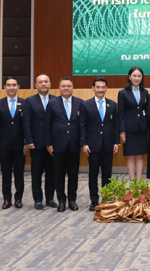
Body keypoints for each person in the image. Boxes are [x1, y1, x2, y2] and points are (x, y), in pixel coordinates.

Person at [80, 77, 119, 211]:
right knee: (93, 173)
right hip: (92, 146)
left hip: (108, 144)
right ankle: (94, 200)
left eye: (103, 87)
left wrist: (116, 142)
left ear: (106, 88)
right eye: (98, 87)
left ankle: (107, 199)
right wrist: (84, 144)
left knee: (107, 174)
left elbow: (115, 125)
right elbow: (82, 126)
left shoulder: (112, 104)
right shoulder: (86, 105)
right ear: (93, 88)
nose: (101, 90)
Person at [45, 77, 83, 212]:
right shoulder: (52, 103)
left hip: (74, 145)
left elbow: (82, 125)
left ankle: (72, 200)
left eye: (68, 86)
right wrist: (48, 143)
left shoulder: (80, 103)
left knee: (73, 175)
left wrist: (82, 142)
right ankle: (61, 201)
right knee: (59, 175)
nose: (66, 88)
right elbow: (47, 125)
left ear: (73, 88)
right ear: (59, 88)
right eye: (63, 86)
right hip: (58, 145)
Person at [22, 74, 58, 210]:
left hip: (52, 144)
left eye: (46, 82)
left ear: (50, 84)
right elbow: (26, 123)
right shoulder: (29, 101)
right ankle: (37, 200)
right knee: (36, 173)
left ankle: (50, 199)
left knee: (52, 173)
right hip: (36, 144)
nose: (43, 84)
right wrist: (28, 140)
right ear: (36, 85)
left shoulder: (56, 100)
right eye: (40, 82)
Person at [0, 77, 27, 209]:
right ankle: (7, 199)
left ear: (18, 86)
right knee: (5, 174)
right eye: (9, 85)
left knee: (19, 174)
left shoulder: (24, 103)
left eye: (14, 85)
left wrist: (26, 142)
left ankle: (18, 199)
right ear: (4, 87)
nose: (11, 87)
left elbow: (26, 125)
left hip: (20, 146)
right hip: (4, 145)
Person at [118, 66, 149, 181]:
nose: (137, 78)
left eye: (139, 76)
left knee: (140, 156)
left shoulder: (145, 92)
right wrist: (122, 131)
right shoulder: (122, 93)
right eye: (134, 76)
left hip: (142, 129)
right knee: (130, 156)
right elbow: (121, 114)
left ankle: (139, 181)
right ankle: (132, 182)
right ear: (129, 77)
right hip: (129, 129)